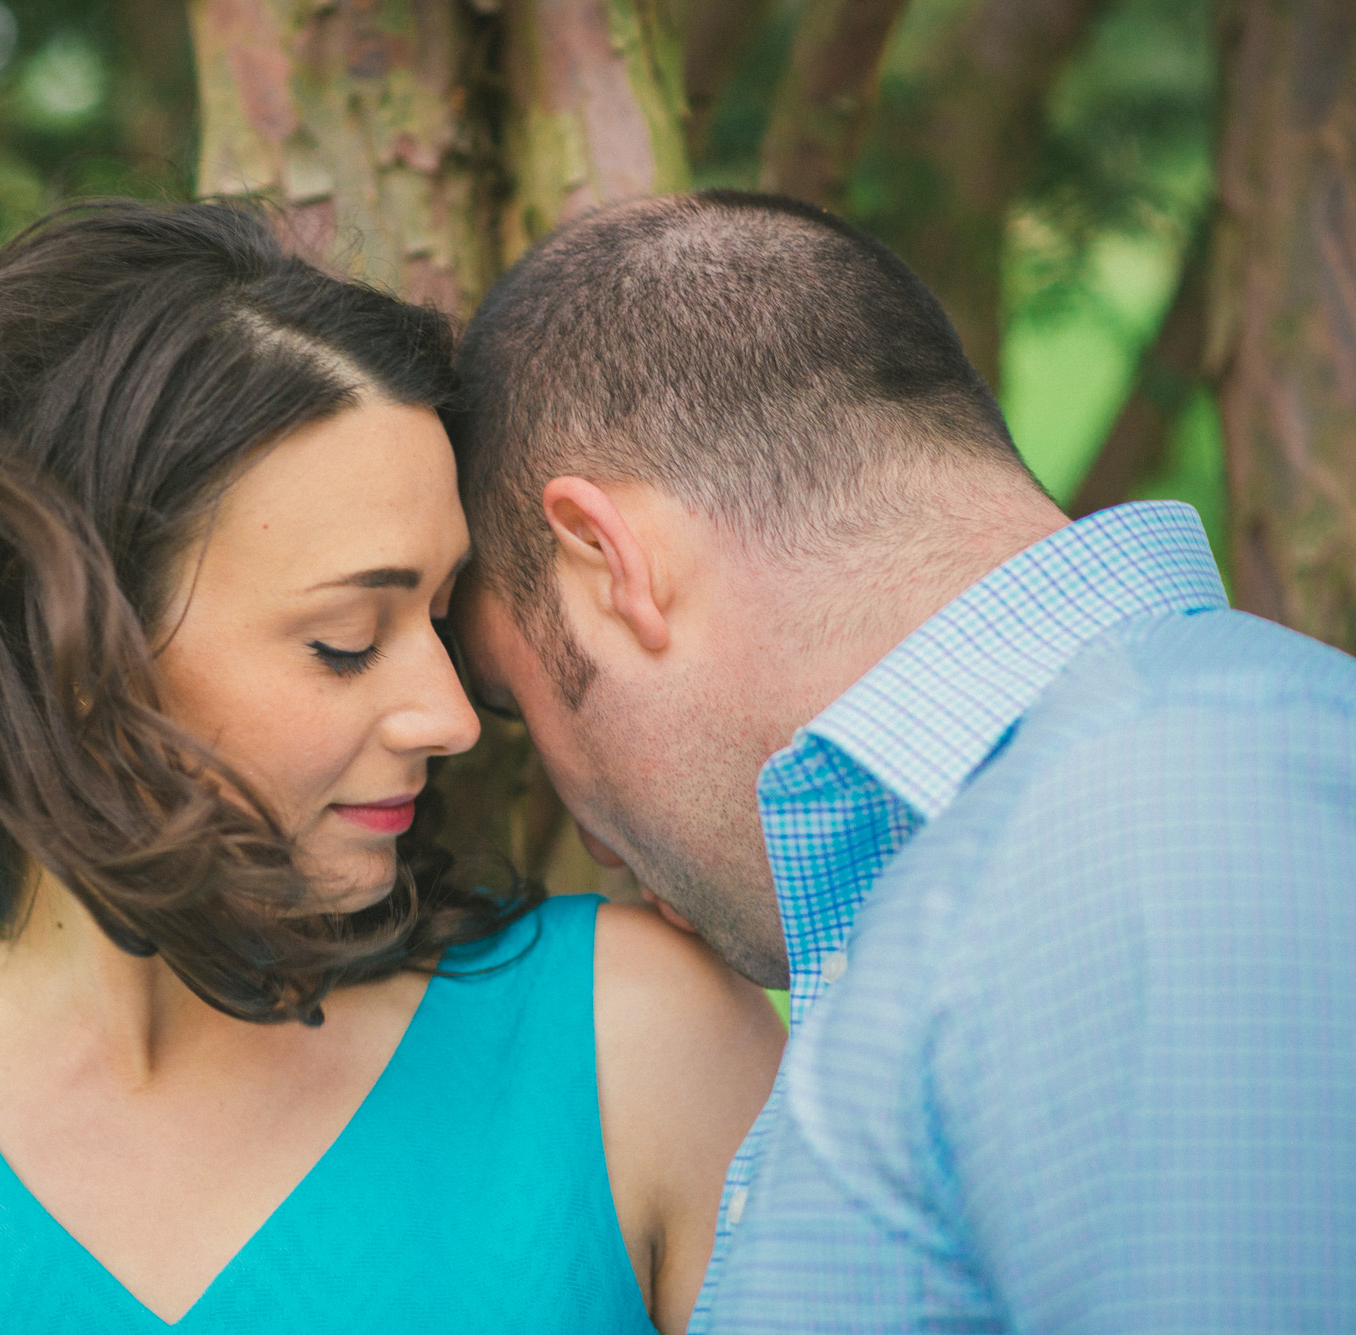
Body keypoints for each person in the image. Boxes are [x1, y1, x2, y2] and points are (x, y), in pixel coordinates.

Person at [0, 200, 783, 1334]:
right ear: (73, 648)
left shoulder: (633, 1052)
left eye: (438, 620)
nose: (449, 717)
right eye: (345, 642)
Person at [448, 187, 1356, 1334]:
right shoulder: (1088, 830)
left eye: (527, 709)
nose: (585, 832)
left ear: (606, 559)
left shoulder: (1155, 832)